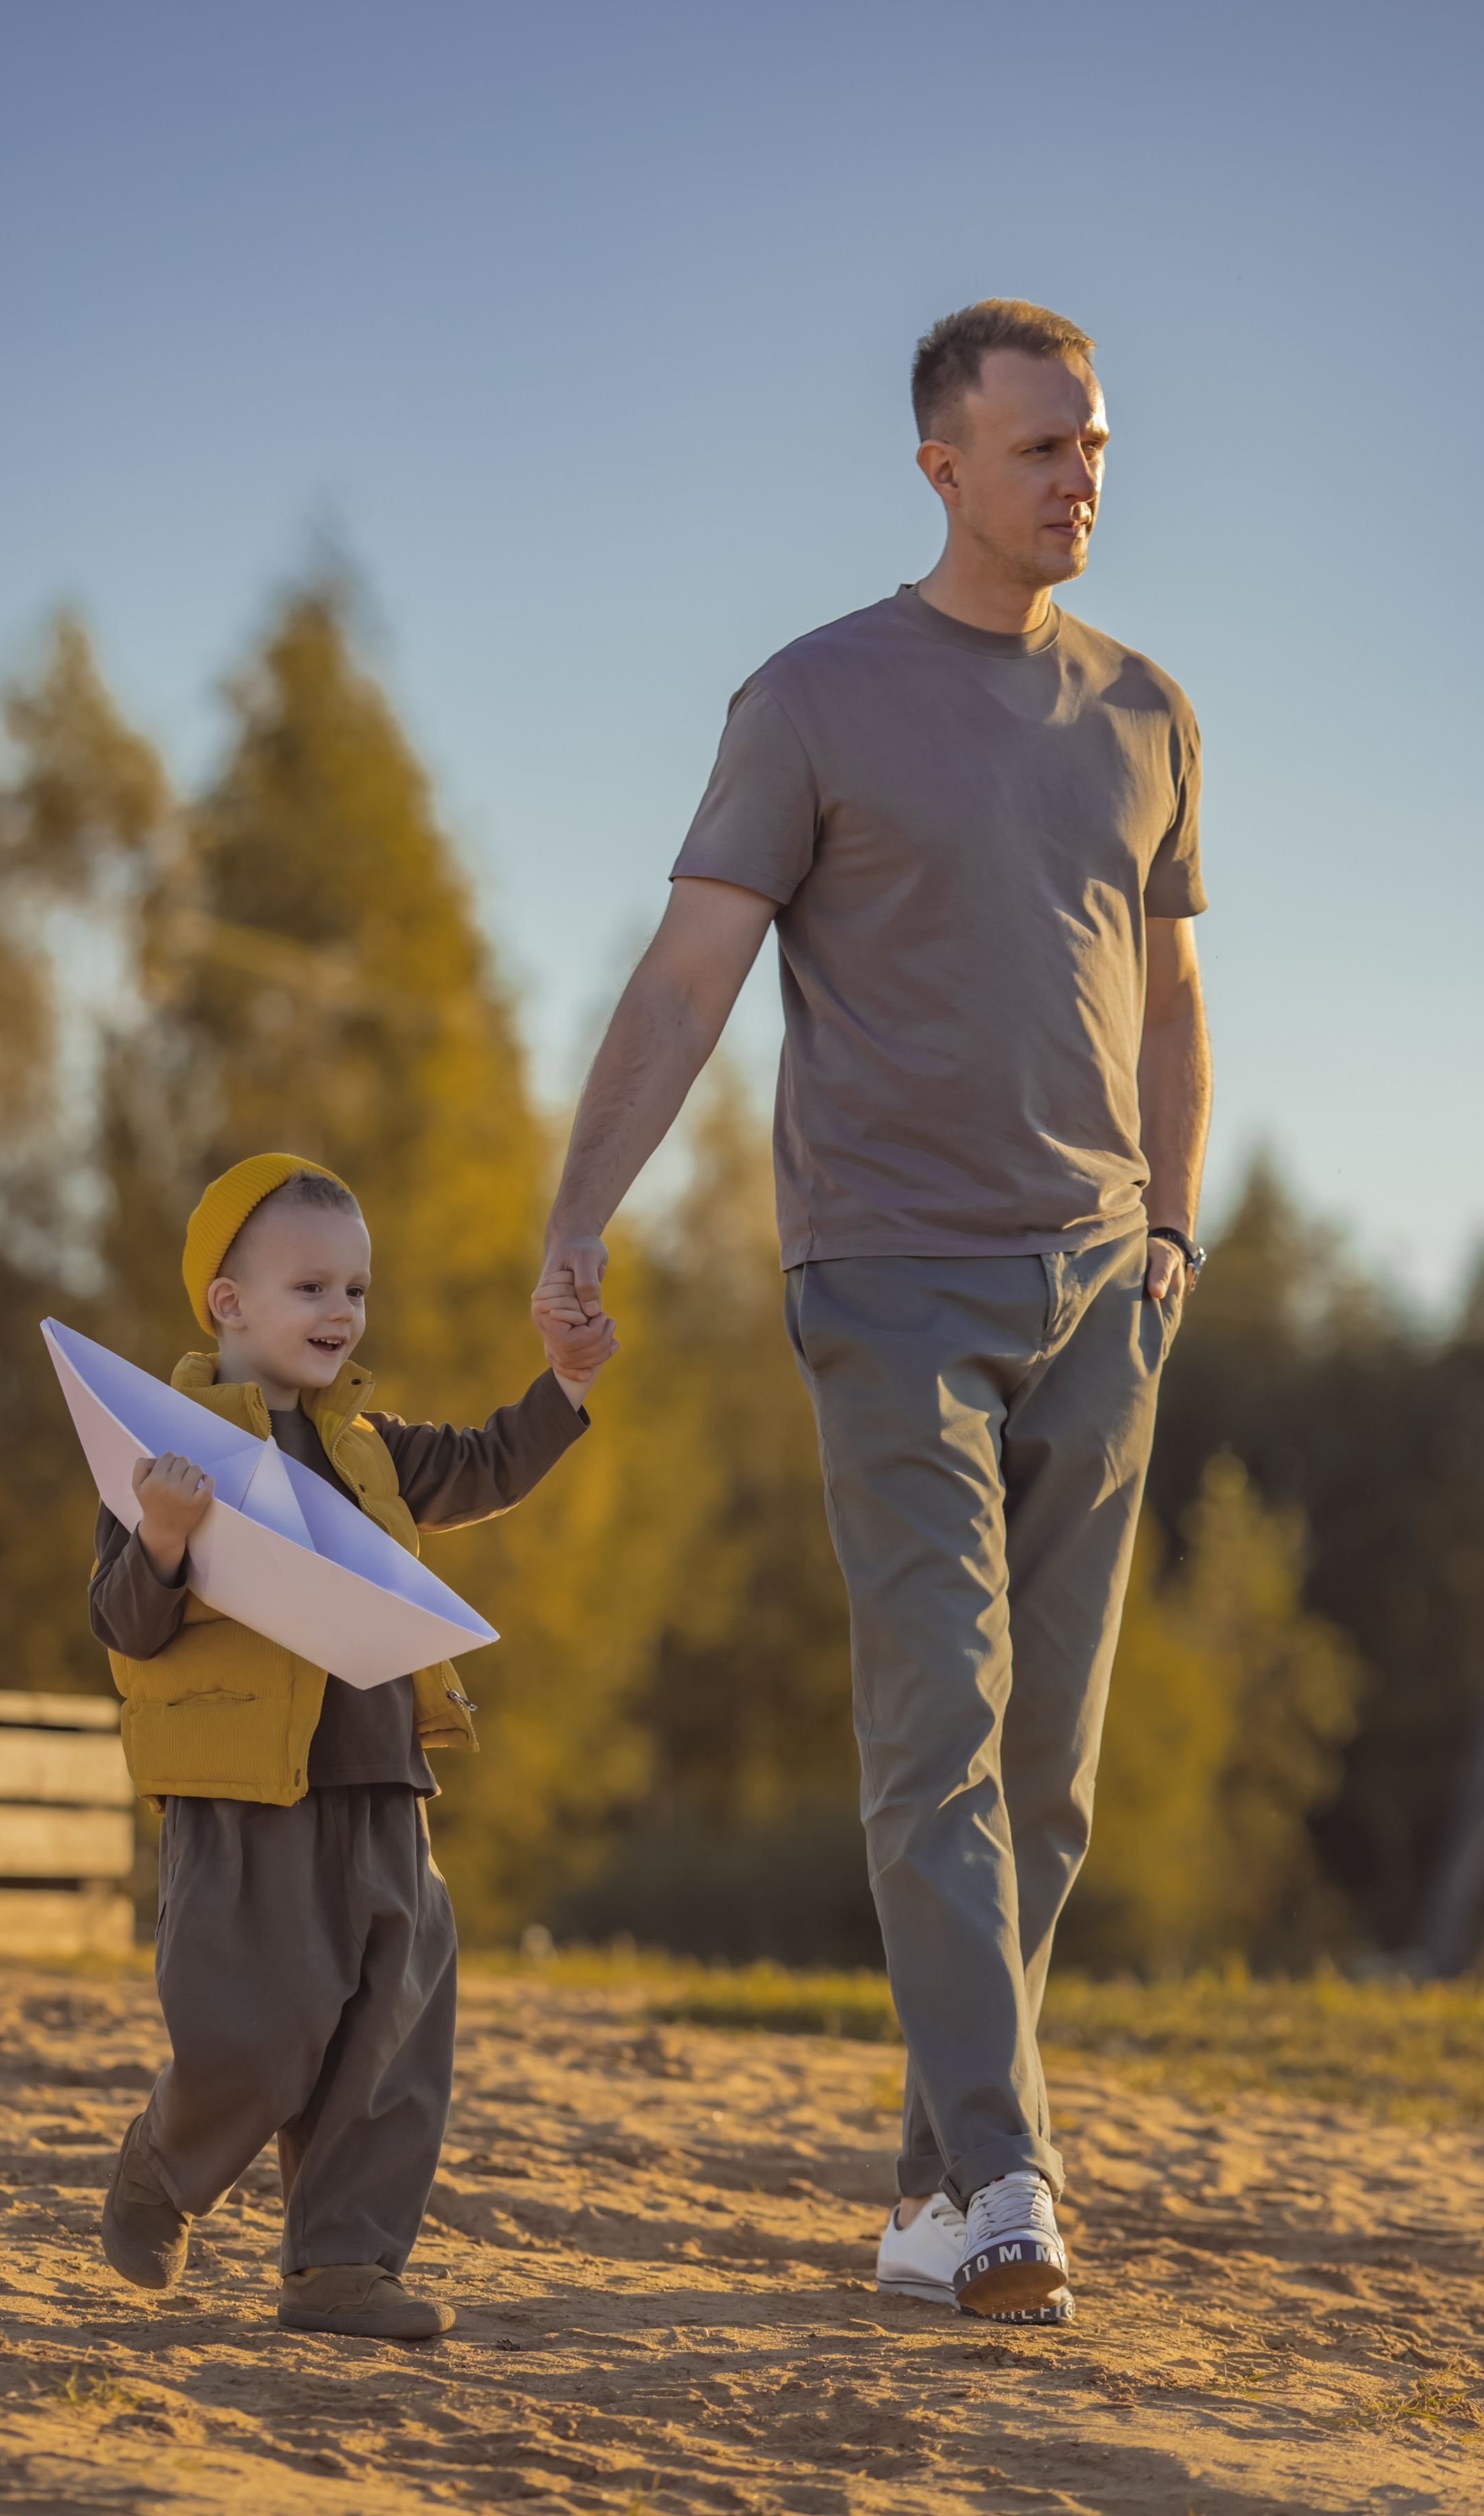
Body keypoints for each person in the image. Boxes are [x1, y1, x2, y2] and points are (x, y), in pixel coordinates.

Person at [534, 300, 1211, 2323]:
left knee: (1051, 1782)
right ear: (940, 464)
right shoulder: (813, 699)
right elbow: (682, 985)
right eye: (1038, 449)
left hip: (1102, 1290)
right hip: (890, 1282)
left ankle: (931, 2197)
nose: (1077, 476)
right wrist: (581, 1211)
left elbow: (1173, 1000)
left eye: (1094, 443)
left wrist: (1170, 1243)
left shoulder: (1150, 711)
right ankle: (1008, 2178)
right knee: (937, 1735)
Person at [92, 1152, 616, 2340]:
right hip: (241, 1793)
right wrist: (163, 1538)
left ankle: (341, 2263)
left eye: (357, 1293)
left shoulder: (369, 1443)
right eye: (313, 1289)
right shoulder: (162, 1453)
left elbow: (486, 1465)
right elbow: (121, 1623)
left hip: (383, 1782)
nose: (343, 1314)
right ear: (229, 1304)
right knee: (255, 2032)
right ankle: (165, 2166)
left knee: (393, 2028)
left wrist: (566, 1388)